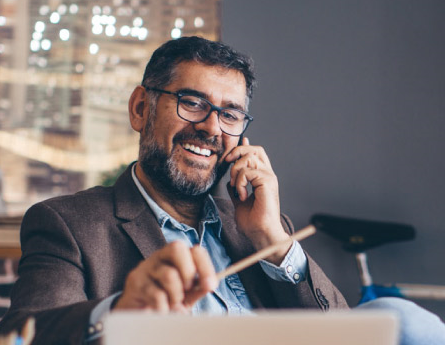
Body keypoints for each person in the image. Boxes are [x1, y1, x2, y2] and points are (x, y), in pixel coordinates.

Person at [0, 36, 443, 345]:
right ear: (141, 108)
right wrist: (121, 313)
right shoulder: (70, 223)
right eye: (192, 102)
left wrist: (272, 240)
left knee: (401, 320)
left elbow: (344, 331)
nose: (212, 127)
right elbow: (24, 334)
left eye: (230, 114)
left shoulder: (259, 227)